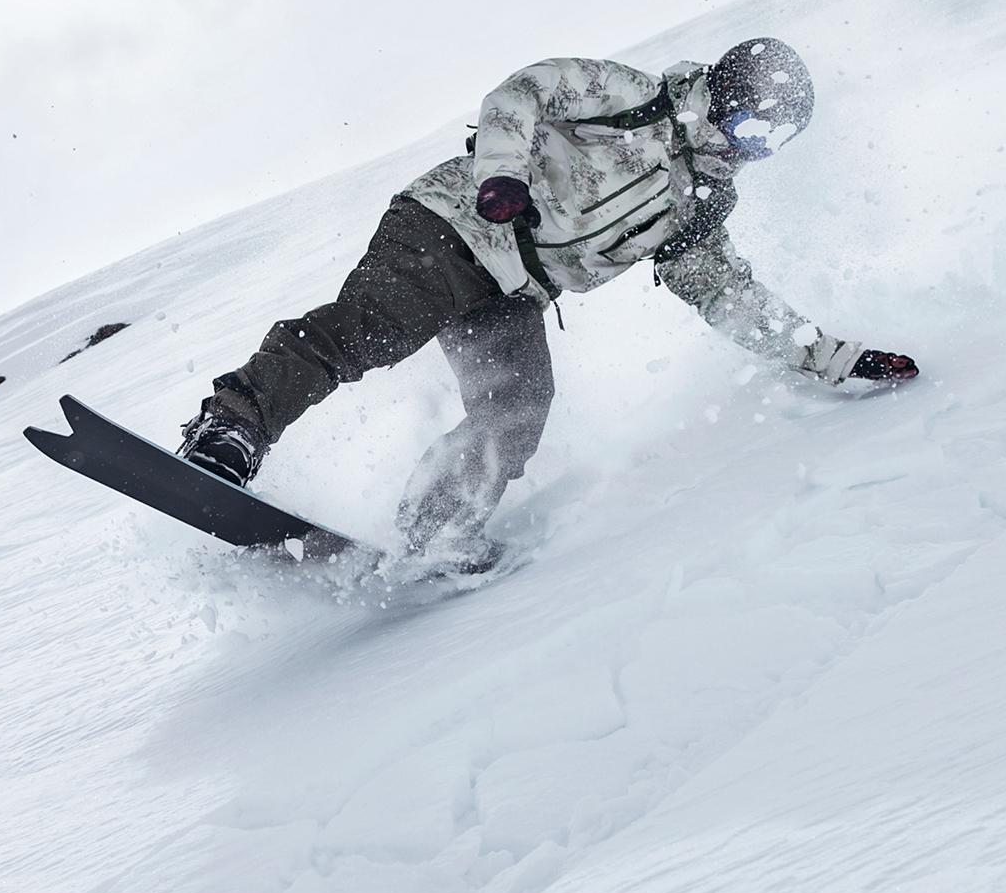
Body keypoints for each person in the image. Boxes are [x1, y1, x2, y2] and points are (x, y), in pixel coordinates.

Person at [175, 38, 917, 567]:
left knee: (518, 409)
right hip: (457, 222)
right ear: (725, 91)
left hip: (514, 291)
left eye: (769, 141)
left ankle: (431, 530)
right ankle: (229, 431)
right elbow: (521, 93)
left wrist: (833, 358)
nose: (748, 145)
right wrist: (504, 175)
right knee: (370, 332)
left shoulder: (699, 201)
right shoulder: (633, 97)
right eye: (750, 123)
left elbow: (726, 292)